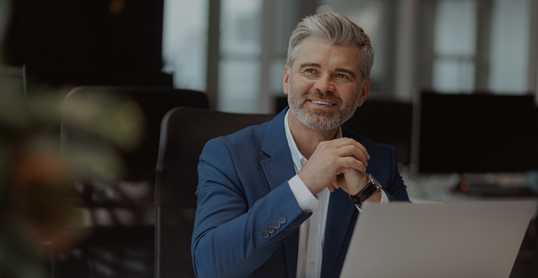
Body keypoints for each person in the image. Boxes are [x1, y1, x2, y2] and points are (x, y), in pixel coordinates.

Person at [191, 13, 410, 278]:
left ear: (362, 92)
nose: (324, 86)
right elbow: (210, 267)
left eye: (341, 75)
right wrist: (303, 185)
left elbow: (413, 264)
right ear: (286, 79)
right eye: (310, 70)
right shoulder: (227, 156)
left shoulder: (379, 160)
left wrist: (366, 194)